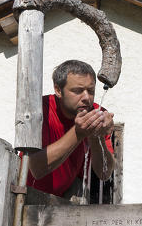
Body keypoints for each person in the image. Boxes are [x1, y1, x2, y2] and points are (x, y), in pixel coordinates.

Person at [26, 60, 115, 199]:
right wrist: (78, 133)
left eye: (91, 91)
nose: (86, 98)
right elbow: (36, 168)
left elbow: (105, 173)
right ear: (58, 90)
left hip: (67, 196)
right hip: (28, 195)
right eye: (77, 91)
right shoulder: (40, 110)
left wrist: (96, 136)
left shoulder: (97, 114)